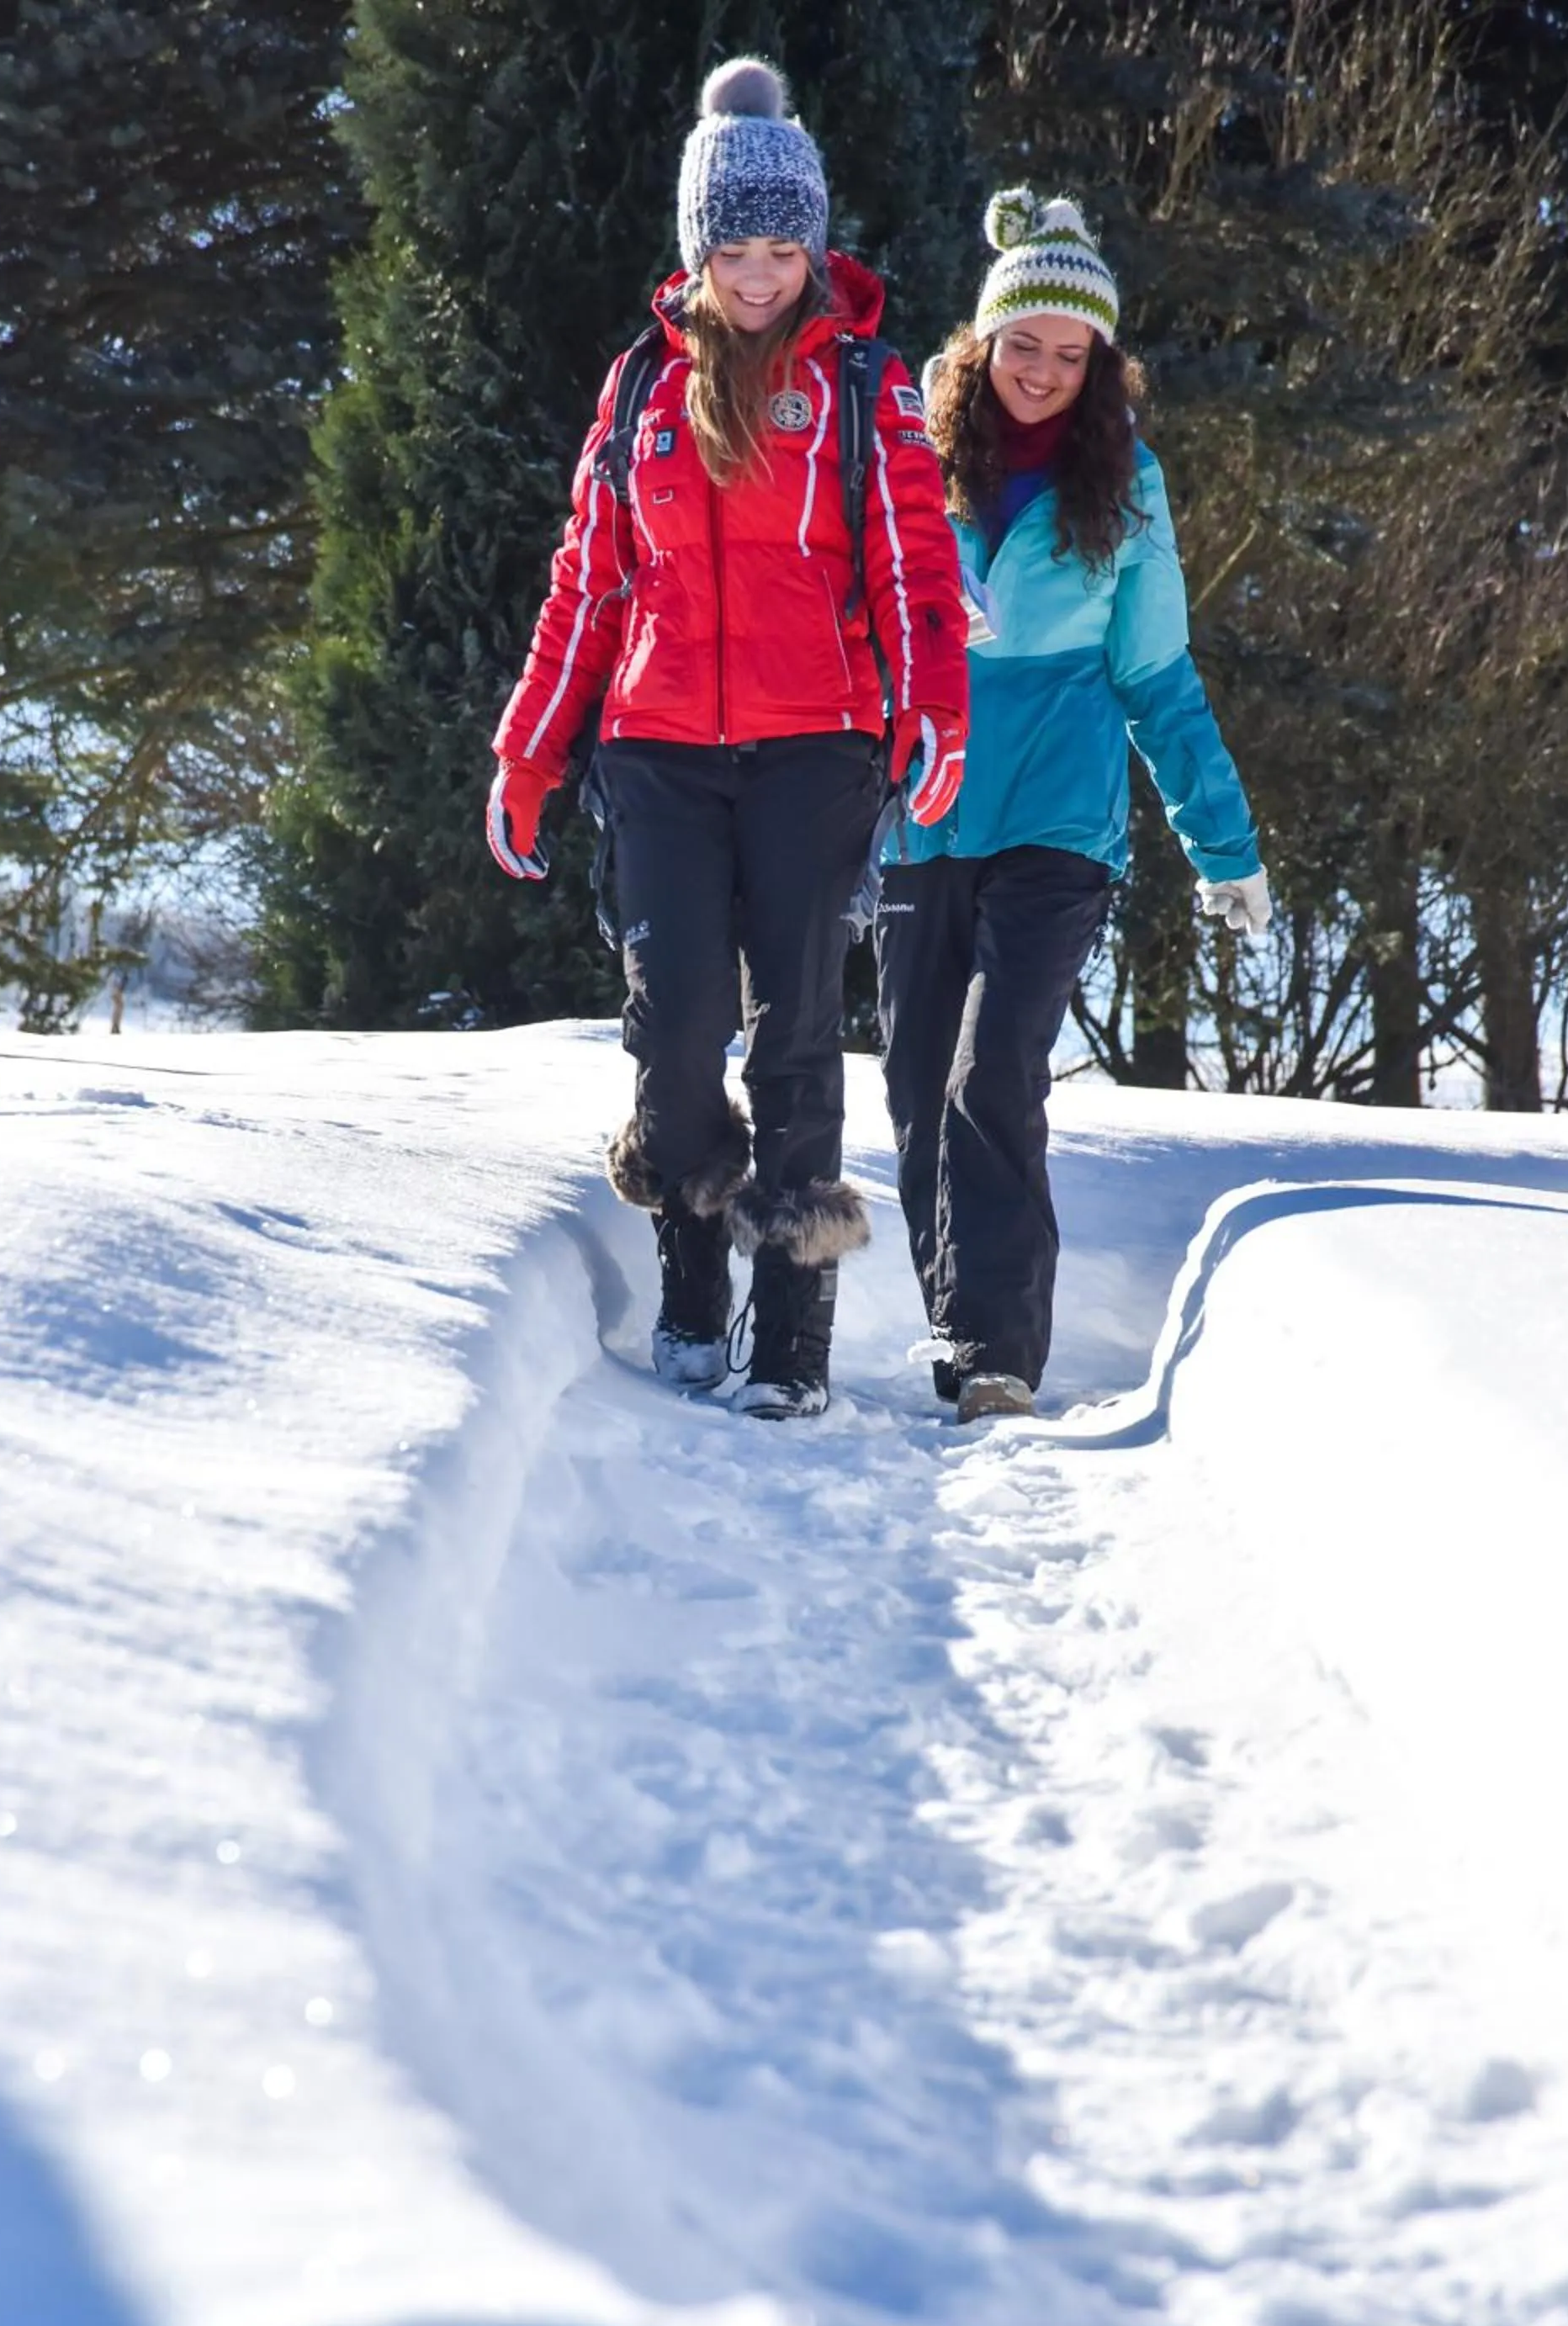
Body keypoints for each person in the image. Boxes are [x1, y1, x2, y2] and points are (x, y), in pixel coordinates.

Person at [487, 57, 967, 1420]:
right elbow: (585, 583)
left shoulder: (865, 387)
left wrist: (932, 715)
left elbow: (915, 571)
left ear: (812, 247)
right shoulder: (640, 386)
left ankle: (794, 1333)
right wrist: (531, 753)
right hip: (657, 753)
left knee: (799, 1034)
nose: (760, 276)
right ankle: (693, 1271)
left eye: (783, 249)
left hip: (817, 747)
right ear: (698, 248)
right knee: (677, 1030)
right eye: (735, 249)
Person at [874, 188, 1271, 1425]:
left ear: (1100, 365)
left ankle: (1000, 1354)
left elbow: (1156, 674)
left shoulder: (1127, 487)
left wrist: (1226, 846)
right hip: (923, 816)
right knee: (913, 1080)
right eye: (1023, 344)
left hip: (1059, 821)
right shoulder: (910, 464)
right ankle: (958, 1321)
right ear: (981, 345)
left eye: (1071, 352)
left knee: (994, 1070)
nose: (1043, 371)